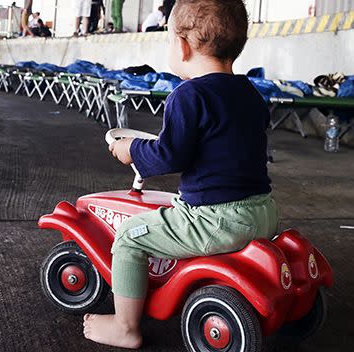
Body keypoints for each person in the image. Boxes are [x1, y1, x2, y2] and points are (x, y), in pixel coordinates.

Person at [83, 0, 278, 349]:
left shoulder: (187, 95)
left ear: (183, 45)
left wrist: (133, 151)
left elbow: (167, 156)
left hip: (217, 220)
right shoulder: (250, 93)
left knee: (128, 237)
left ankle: (125, 326)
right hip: (262, 212)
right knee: (176, 204)